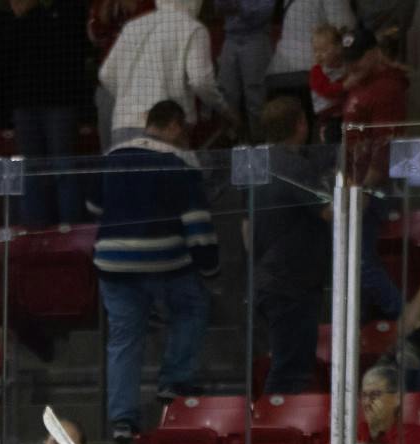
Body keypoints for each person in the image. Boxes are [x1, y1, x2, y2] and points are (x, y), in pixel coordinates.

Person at [93, 100, 220, 444]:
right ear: (176, 126)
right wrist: (210, 265)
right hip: (163, 260)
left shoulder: (113, 155)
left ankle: (122, 419)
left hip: (113, 262)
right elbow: (196, 223)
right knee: (192, 306)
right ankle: (175, 381)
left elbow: (93, 205)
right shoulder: (180, 161)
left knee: (123, 339)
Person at [249, 96, 331, 398]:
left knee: (288, 365)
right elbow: (329, 210)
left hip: (269, 280)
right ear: (300, 124)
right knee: (291, 370)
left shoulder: (258, 166)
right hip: (291, 285)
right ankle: (270, 433)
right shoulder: (293, 166)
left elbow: (247, 228)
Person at [0, 0, 90, 228]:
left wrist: (84, 112)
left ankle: (69, 230)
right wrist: (19, 17)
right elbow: (3, 60)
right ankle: (35, 230)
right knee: (30, 170)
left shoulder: (69, 10)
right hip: (25, 104)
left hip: (61, 102)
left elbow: (78, 53)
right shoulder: (12, 17)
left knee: (63, 168)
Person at [98, 0, 231, 147]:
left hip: (123, 127)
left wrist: (131, 101)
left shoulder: (133, 26)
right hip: (167, 130)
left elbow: (106, 74)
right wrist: (225, 110)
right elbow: (201, 81)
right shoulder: (193, 29)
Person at [86, 0, 155, 143]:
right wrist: (103, 17)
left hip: (142, 87)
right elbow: (94, 37)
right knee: (109, 145)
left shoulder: (151, 3)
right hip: (109, 85)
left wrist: (132, 7)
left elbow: (151, 31)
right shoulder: (102, 3)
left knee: (140, 146)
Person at [209, 0, 276, 141]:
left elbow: (265, 10)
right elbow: (218, 5)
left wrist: (238, 6)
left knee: (255, 96)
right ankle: (232, 140)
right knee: (226, 91)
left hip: (256, 37)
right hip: (230, 38)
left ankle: (260, 142)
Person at [307, 23, 346, 141]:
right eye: (315, 51)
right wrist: (346, 85)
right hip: (328, 118)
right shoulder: (317, 71)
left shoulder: (346, 66)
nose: (319, 54)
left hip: (345, 113)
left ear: (338, 48)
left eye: (323, 50)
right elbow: (327, 90)